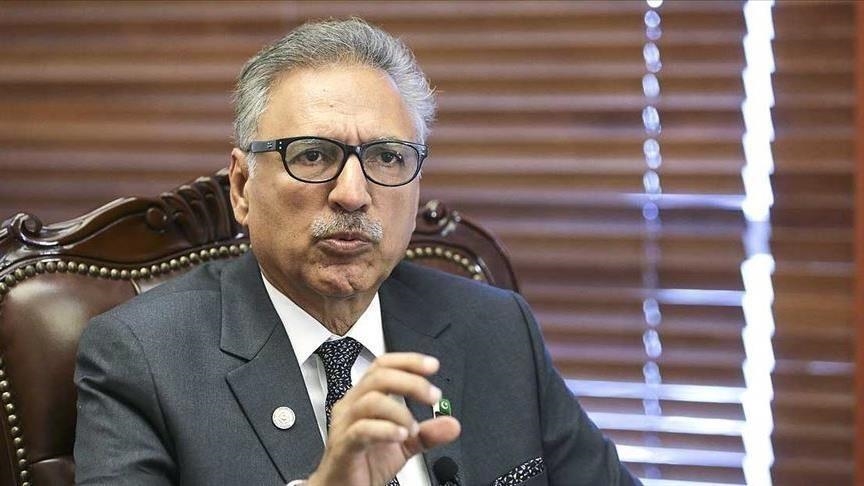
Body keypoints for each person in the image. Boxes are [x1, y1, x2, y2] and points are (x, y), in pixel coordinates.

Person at [74, 17, 640, 486]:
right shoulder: (142, 356)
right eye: (313, 155)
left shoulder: (496, 328)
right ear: (242, 187)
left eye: (387, 158)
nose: (353, 193)